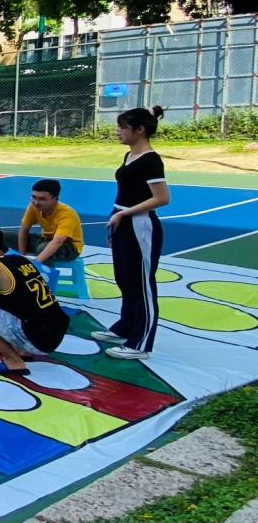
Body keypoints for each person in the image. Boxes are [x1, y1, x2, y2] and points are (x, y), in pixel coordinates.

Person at [92, 106, 171, 360]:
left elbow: (162, 198)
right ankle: (126, 326)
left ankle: (141, 343)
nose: (118, 132)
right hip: (123, 223)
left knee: (141, 283)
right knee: (124, 278)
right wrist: (116, 221)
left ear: (140, 130)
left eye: (122, 127)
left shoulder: (150, 160)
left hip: (140, 226)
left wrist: (124, 214)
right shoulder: (129, 156)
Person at [0, 221, 71, 376]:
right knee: (17, 304)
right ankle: (23, 350)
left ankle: (13, 360)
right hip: (55, 331)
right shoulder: (20, 259)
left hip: (38, 339)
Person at [3, 179, 85, 267]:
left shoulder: (67, 214)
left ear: (55, 199)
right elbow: (24, 230)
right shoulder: (33, 206)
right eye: (33, 197)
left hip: (69, 247)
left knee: (44, 248)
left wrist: (34, 264)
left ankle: (44, 278)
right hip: (44, 240)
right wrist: (22, 257)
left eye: (42, 199)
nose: (36, 202)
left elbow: (57, 242)